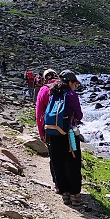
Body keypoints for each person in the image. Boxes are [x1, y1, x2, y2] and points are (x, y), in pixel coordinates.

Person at [45, 70, 84, 206]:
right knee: (73, 161)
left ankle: (65, 195)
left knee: (58, 162)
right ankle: (75, 196)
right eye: (74, 83)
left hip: (52, 133)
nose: (75, 85)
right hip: (70, 134)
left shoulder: (53, 93)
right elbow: (79, 116)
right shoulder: (72, 95)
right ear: (69, 82)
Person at [35, 69, 59, 191]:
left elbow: (39, 114)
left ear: (45, 79)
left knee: (54, 156)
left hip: (49, 128)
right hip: (66, 128)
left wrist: (41, 133)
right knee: (67, 155)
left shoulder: (43, 90)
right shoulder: (63, 87)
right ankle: (70, 185)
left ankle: (57, 184)